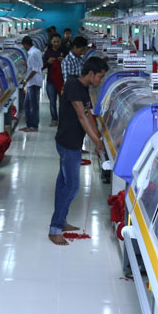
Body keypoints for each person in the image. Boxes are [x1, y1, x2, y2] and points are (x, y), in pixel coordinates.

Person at [49, 56, 109, 246]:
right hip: (68, 143)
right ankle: (55, 229)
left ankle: (61, 222)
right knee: (72, 186)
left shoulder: (82, 88)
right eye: (100, 77)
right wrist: (96, 141)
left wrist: (98, 134)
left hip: (71, 142)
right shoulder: (73, 86)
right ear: (90, 73)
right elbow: (81, 117)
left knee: (63, 184)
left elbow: (88, 113)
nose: (100, 81)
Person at [21, 36, 43, 132]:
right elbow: (36, 65)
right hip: (33, 82)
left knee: (33, 105)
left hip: (33, 82)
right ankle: (29, 124)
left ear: (25, 45)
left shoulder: (32, 54)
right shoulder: (36, 51)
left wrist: (26, 80)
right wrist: (26, 64)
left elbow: (34, 70)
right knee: (27, 104)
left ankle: (34, 126)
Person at [43, 35, 64, 126]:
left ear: (60, 41)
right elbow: (42, 66)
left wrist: (64, 60)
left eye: (58, 41)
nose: (56, 43)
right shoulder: (48, 53)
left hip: (62, 81)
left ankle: (63, 119)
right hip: (51, 81)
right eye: (54, 41)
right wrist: (48, 62)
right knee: (52, 102)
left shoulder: (64, 51)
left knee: (63, 101)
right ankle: (54, 119)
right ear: (51, 42)